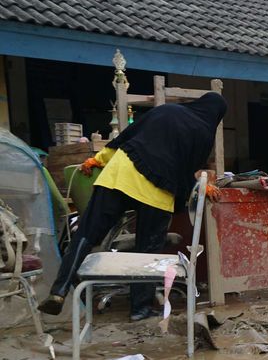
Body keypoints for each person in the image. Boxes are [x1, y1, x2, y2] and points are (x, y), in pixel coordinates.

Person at [38, 92, 227, 319]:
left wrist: (96, 160)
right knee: (147, 251)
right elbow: (186, 169)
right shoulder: (204, 132)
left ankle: (59, 290)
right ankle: (140, 309)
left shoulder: (165, 110)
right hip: (157, 190)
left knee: (87, 233)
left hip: (121, 173)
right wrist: (199, 186)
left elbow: (125, 138)